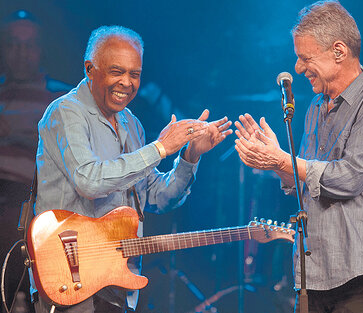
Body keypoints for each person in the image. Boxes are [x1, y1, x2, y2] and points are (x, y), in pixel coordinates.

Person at [30, 25, 232, 313]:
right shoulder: (66, 112)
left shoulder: (131, 123)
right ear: (90, 69)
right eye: (116, 71)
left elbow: (157, 198)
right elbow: (89, 180)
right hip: (69, 275)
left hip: (117, 283)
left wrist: (190, 156)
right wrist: (160, 148)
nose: (127, 82)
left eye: (134, 74)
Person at [234, 1, 363, 312]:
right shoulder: (315, 107)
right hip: (313, 275)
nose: (298, 68)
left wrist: (282, 160)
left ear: (338, 51)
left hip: (360, 276)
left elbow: (349, 179)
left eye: (305, 58)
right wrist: (276, 163)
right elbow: (308, 186)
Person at [0, 11, 70, 313]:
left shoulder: (59, 96)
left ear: (40, 50)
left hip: (31, 201)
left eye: (28, 46)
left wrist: (17, 127)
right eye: (14, 45)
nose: (21, 53)